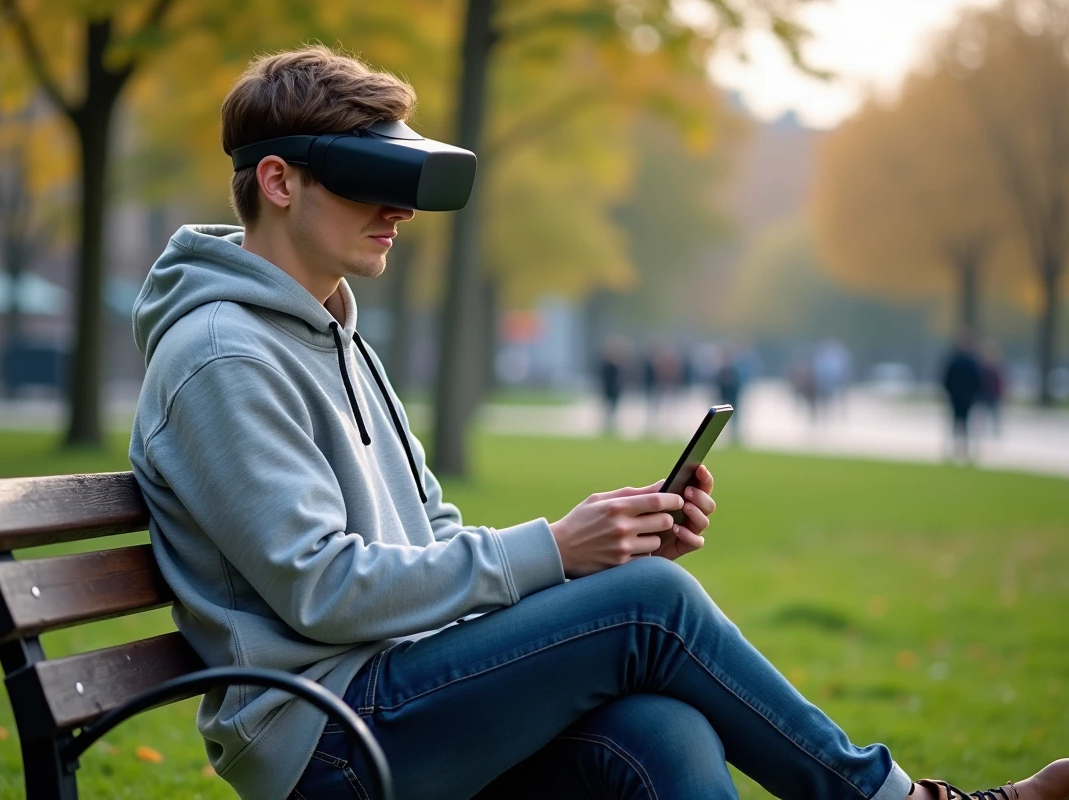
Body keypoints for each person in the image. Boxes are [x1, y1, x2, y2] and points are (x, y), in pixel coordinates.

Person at [127, 46, 1068, 800]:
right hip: (325, 738)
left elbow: (433, 535)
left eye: (406, 180)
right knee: (651, 604)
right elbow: (322, 591)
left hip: (400, 689)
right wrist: (555, 551)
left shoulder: (336, 334)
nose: (401, 209)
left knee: (664, 730)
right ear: (279, 182)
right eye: (372, 180)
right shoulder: (223, 356)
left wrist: (590, 554)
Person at [941, 332, 983, 463]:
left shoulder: (957, 360)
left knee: (961, 424)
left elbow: (946, 379)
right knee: (959, 424)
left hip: (962, 397)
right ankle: (958, 450)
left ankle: (962, 450)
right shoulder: (969, 361)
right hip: (961, 397)